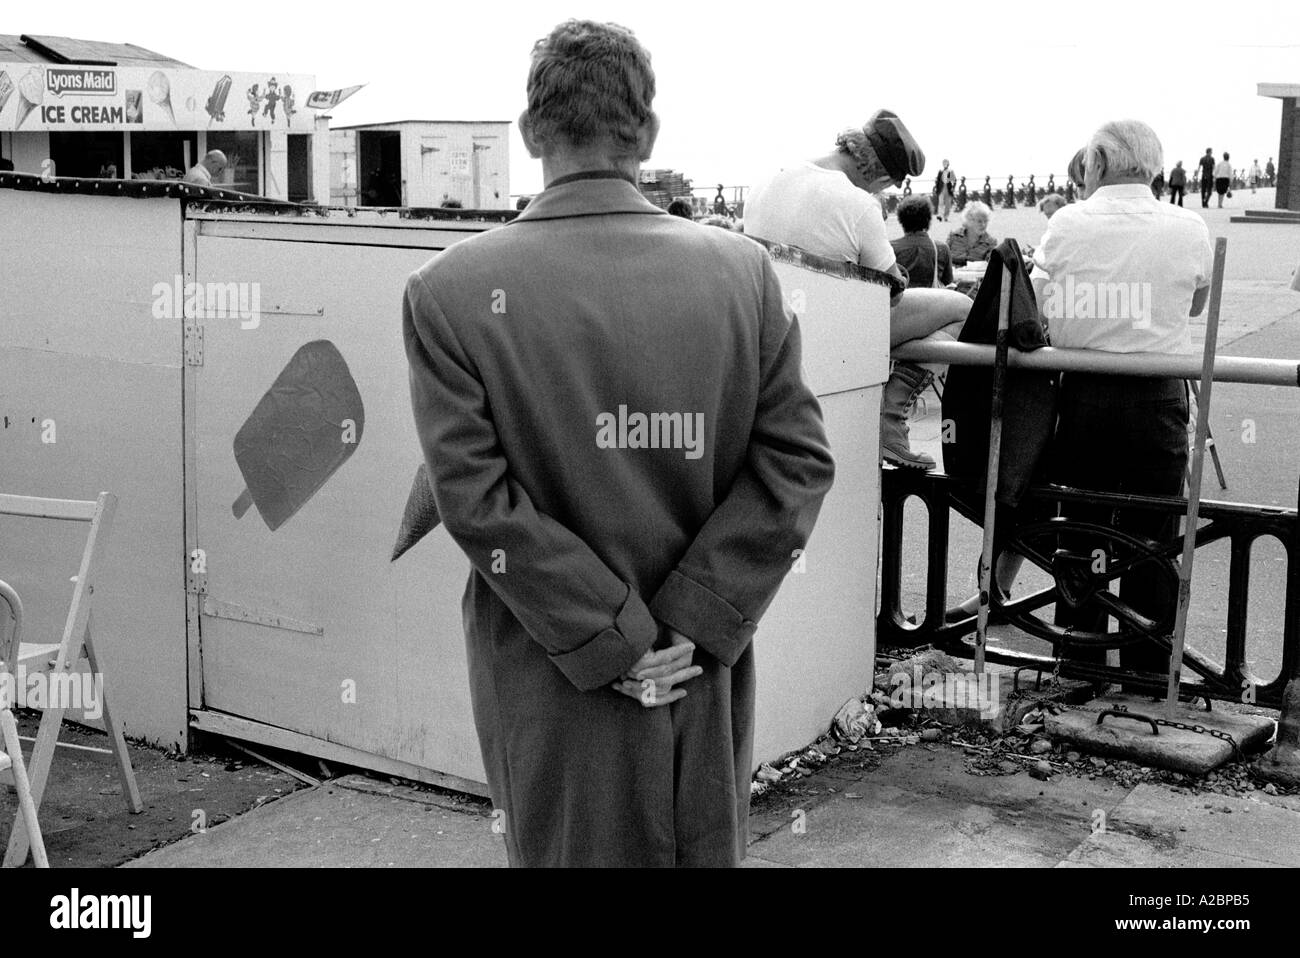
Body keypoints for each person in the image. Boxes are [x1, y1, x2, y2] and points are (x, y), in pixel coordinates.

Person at [402, 18, 834, 868]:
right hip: (698, 662)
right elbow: (798, 462)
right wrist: (687, 625)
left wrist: (617, 642)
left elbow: (475, 504)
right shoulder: (742, 274)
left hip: (550, 666)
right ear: (648, 135)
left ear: (530, 134)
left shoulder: (449, 292)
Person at [1031, 118, 1213, 682]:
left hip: (1083, 392)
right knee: (1153, 537)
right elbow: (1196, 306)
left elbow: (1037, 304)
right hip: (1158, 395)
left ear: (1100, 164)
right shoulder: (1189, 226)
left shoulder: (1067, 221)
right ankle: (1147, 667)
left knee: (1081, 529)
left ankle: (1079, 659)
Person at [744, 111, 970, 470]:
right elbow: (891, 293)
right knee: (962, 308)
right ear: (881, 175)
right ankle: (890, 416)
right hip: (835, 334)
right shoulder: (857, 202)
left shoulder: (772, 177)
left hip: (769, 330)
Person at [891, 195, 953, 288]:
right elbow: (948, 281)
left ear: (901, 220)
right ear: (928, 220)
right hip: (932, 300)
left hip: (903, 301)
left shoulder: (891, 248)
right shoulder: (941, 248)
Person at [946, 200, 997, 266]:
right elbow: (943, 259)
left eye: (986, 221)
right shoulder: (954, 236)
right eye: (979, 221)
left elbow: (990, 267)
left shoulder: (990, 242)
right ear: (969, 220)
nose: (983, 225)